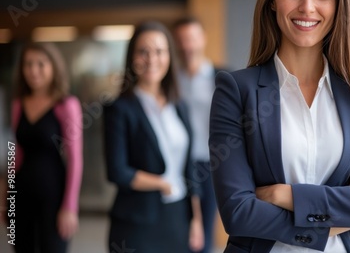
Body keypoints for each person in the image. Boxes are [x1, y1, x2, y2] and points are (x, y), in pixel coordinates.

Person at [208, 0, 350, 252]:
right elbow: (238, 212)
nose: (307, 6)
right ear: (273, 0)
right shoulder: (236, 91)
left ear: (339, 5)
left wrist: (283, 195)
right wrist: (344, 209)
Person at [104, 20, 204, 253]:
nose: (152, 59)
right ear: (131, 57)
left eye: (159, 51)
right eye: (143, 51)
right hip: (136, 222)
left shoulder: (179, 106)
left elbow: (189, 168)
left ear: (169, 56)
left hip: (178, 216)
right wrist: (161, 183)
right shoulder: (119, 109)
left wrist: (196, 219)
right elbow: (117, 171)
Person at [6, 42, 83, 252]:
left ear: (54, 67)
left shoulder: (66, 105)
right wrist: (8, 196)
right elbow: (16, 152)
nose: (33, 70)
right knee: (21, 247)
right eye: (28, 64)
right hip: (21, 193)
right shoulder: (18, 104)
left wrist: (70, 206)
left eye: (41, 64)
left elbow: (75, 158)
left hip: (53, 194)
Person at [173, 16, 220, 253]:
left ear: (203, 39)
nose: (187, 46)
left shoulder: (221, 77)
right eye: (181, 40)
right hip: (177, 164)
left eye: (191, 39)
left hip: (211, 164)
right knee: (179, 229)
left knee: (203, 235)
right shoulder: (170, 80)